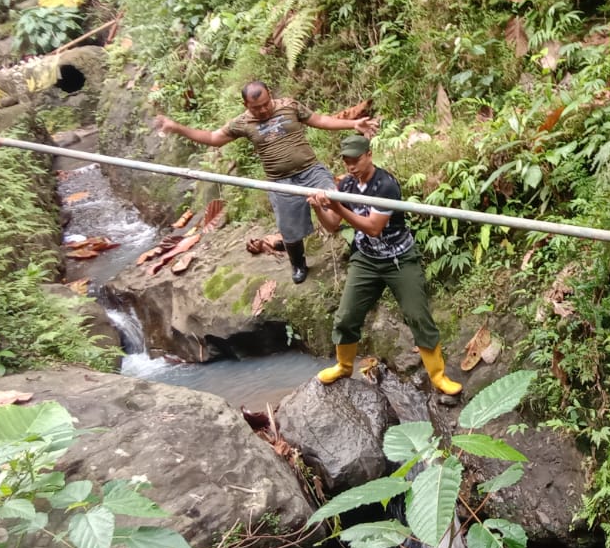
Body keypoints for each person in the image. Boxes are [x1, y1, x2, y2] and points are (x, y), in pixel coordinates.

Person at [154, 82, 377, 284]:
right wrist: (176, 127)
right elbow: (213, 138)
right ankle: (298, 264)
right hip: (281, 182)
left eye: (265, 104)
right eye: (256, 107)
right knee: (289, 231)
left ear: (270, 95)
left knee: (337, 201)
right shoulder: (242, 123)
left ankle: (359, 245)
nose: (262, 110)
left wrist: (353, 123)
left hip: (311, 172)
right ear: (246, 104)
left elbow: (320, 120)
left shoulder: (290, 106)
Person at [306, 134, 461, 395]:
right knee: (346, 317)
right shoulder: (347, 186)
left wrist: (337, 206)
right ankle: (344, 366)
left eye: (356, 160)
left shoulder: (386, 185)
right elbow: (333, 225)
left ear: (369, 155)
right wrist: (320, 208)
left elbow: (374, 228)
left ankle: (438, 376)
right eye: (347, 162)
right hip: (366, 259)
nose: (352, 166)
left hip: (399, 259)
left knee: (418, 316)